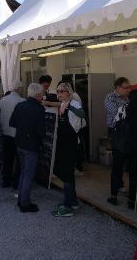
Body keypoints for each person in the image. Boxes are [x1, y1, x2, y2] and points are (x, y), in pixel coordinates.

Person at [107, 89, 137, 210]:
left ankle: (113, 196)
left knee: (116, 170)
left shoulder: (122, 108)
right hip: (135, 146)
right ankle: (132, 200)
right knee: (134, 173)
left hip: (120, 145)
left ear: (129, 98)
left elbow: (115, 123)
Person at [9, 83, 45, 213]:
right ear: (38, 95)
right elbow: (41, 131)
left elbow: (11, 122)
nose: (43, 97)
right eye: (42, 95)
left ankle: (21, 199)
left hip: (19, 143)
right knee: (28, 174)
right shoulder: (39, 109)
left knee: (24, 172)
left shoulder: (20, 105)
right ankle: (24, 203)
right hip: (31, 146)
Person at [51, 83, 86, 217]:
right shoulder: (63, 104)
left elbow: (82, 114)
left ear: (68, 92)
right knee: (68, 174)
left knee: (66, 174)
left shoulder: (74, 104)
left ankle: (67, 206)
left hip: (70, 144)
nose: (59, 93)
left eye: (62, 91)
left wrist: (69, 107)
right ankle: (73, 201)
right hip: (64, 143)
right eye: (58, 91)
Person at [0, 79, 25, 189]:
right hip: (17, 134)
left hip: (5, 133)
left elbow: (0, 116)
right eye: (22, 89)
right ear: (18, 89)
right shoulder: (22, 101)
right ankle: (17, 182)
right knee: (18, 159)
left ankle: (5, 180)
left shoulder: (3, 100)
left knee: (7, 158)